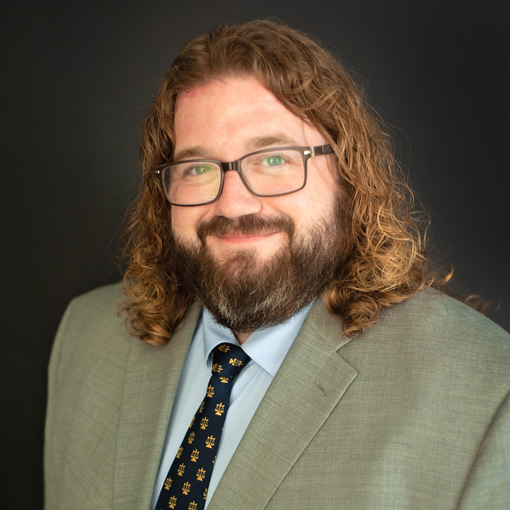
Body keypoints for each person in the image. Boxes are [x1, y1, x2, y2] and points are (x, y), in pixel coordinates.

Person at [44, 20, 510, 510]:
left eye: (273, 159)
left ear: (347, 173)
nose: (233, 205)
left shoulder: (484, 393)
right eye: (198, 169)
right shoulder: (86, 337)